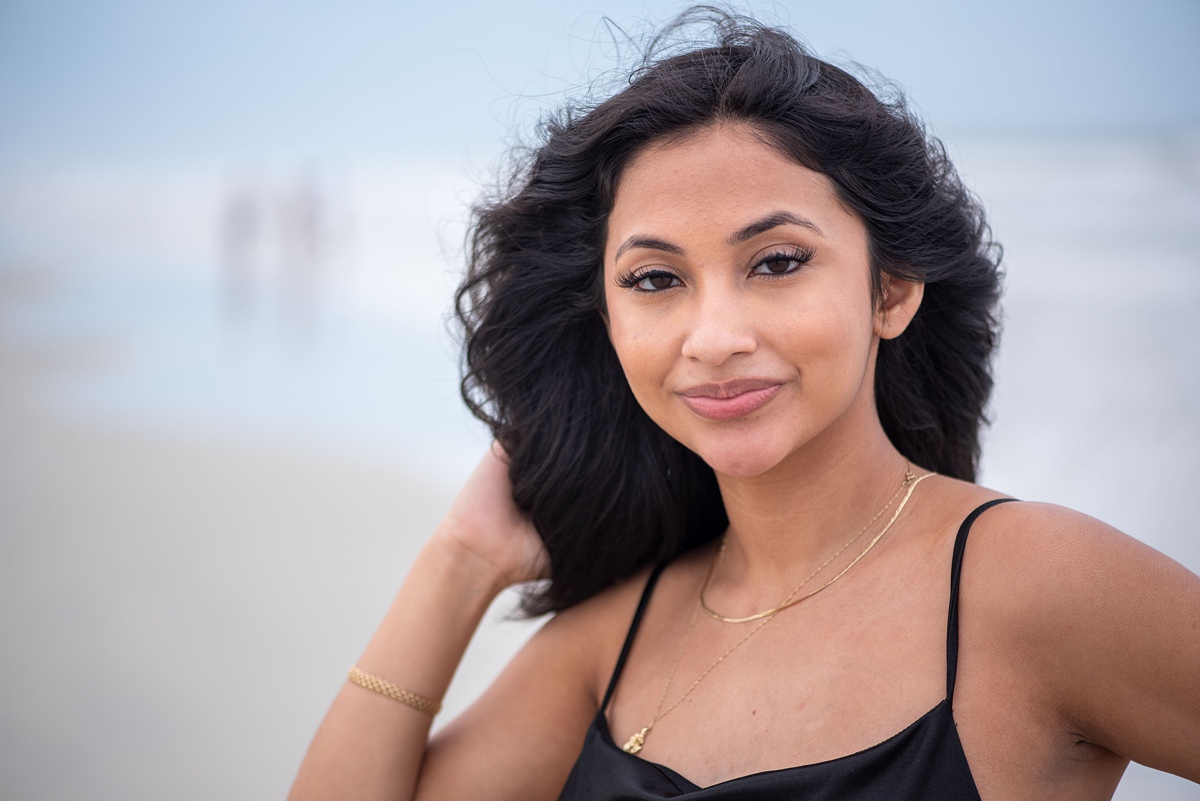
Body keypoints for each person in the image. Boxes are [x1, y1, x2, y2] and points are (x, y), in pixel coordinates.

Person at [289, 10, 1200, 799]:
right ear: (607, 320)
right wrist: (460, 560)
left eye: (776, 261)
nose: (712, 334)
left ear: (891, 290)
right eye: (655, 279)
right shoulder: (614, 640)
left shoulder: (1033, 586)